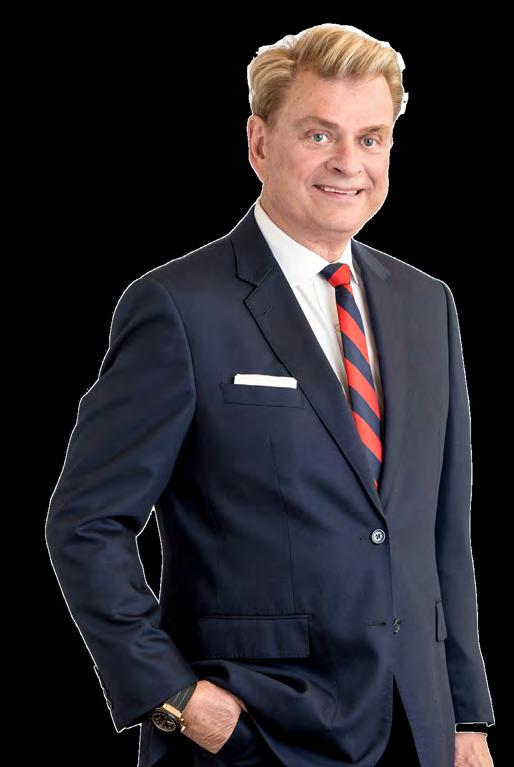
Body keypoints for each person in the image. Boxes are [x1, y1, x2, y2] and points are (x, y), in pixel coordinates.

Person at [45, 22, 496, 767]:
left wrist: (468, 717)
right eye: (319, 135)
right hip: (256, 731)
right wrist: (176, 698)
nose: (349, 162)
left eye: (371, 138)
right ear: (259, 143)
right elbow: (87, 522)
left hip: (418, 728)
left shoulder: (427, 303)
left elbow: (443, 530)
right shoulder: (178, 307)